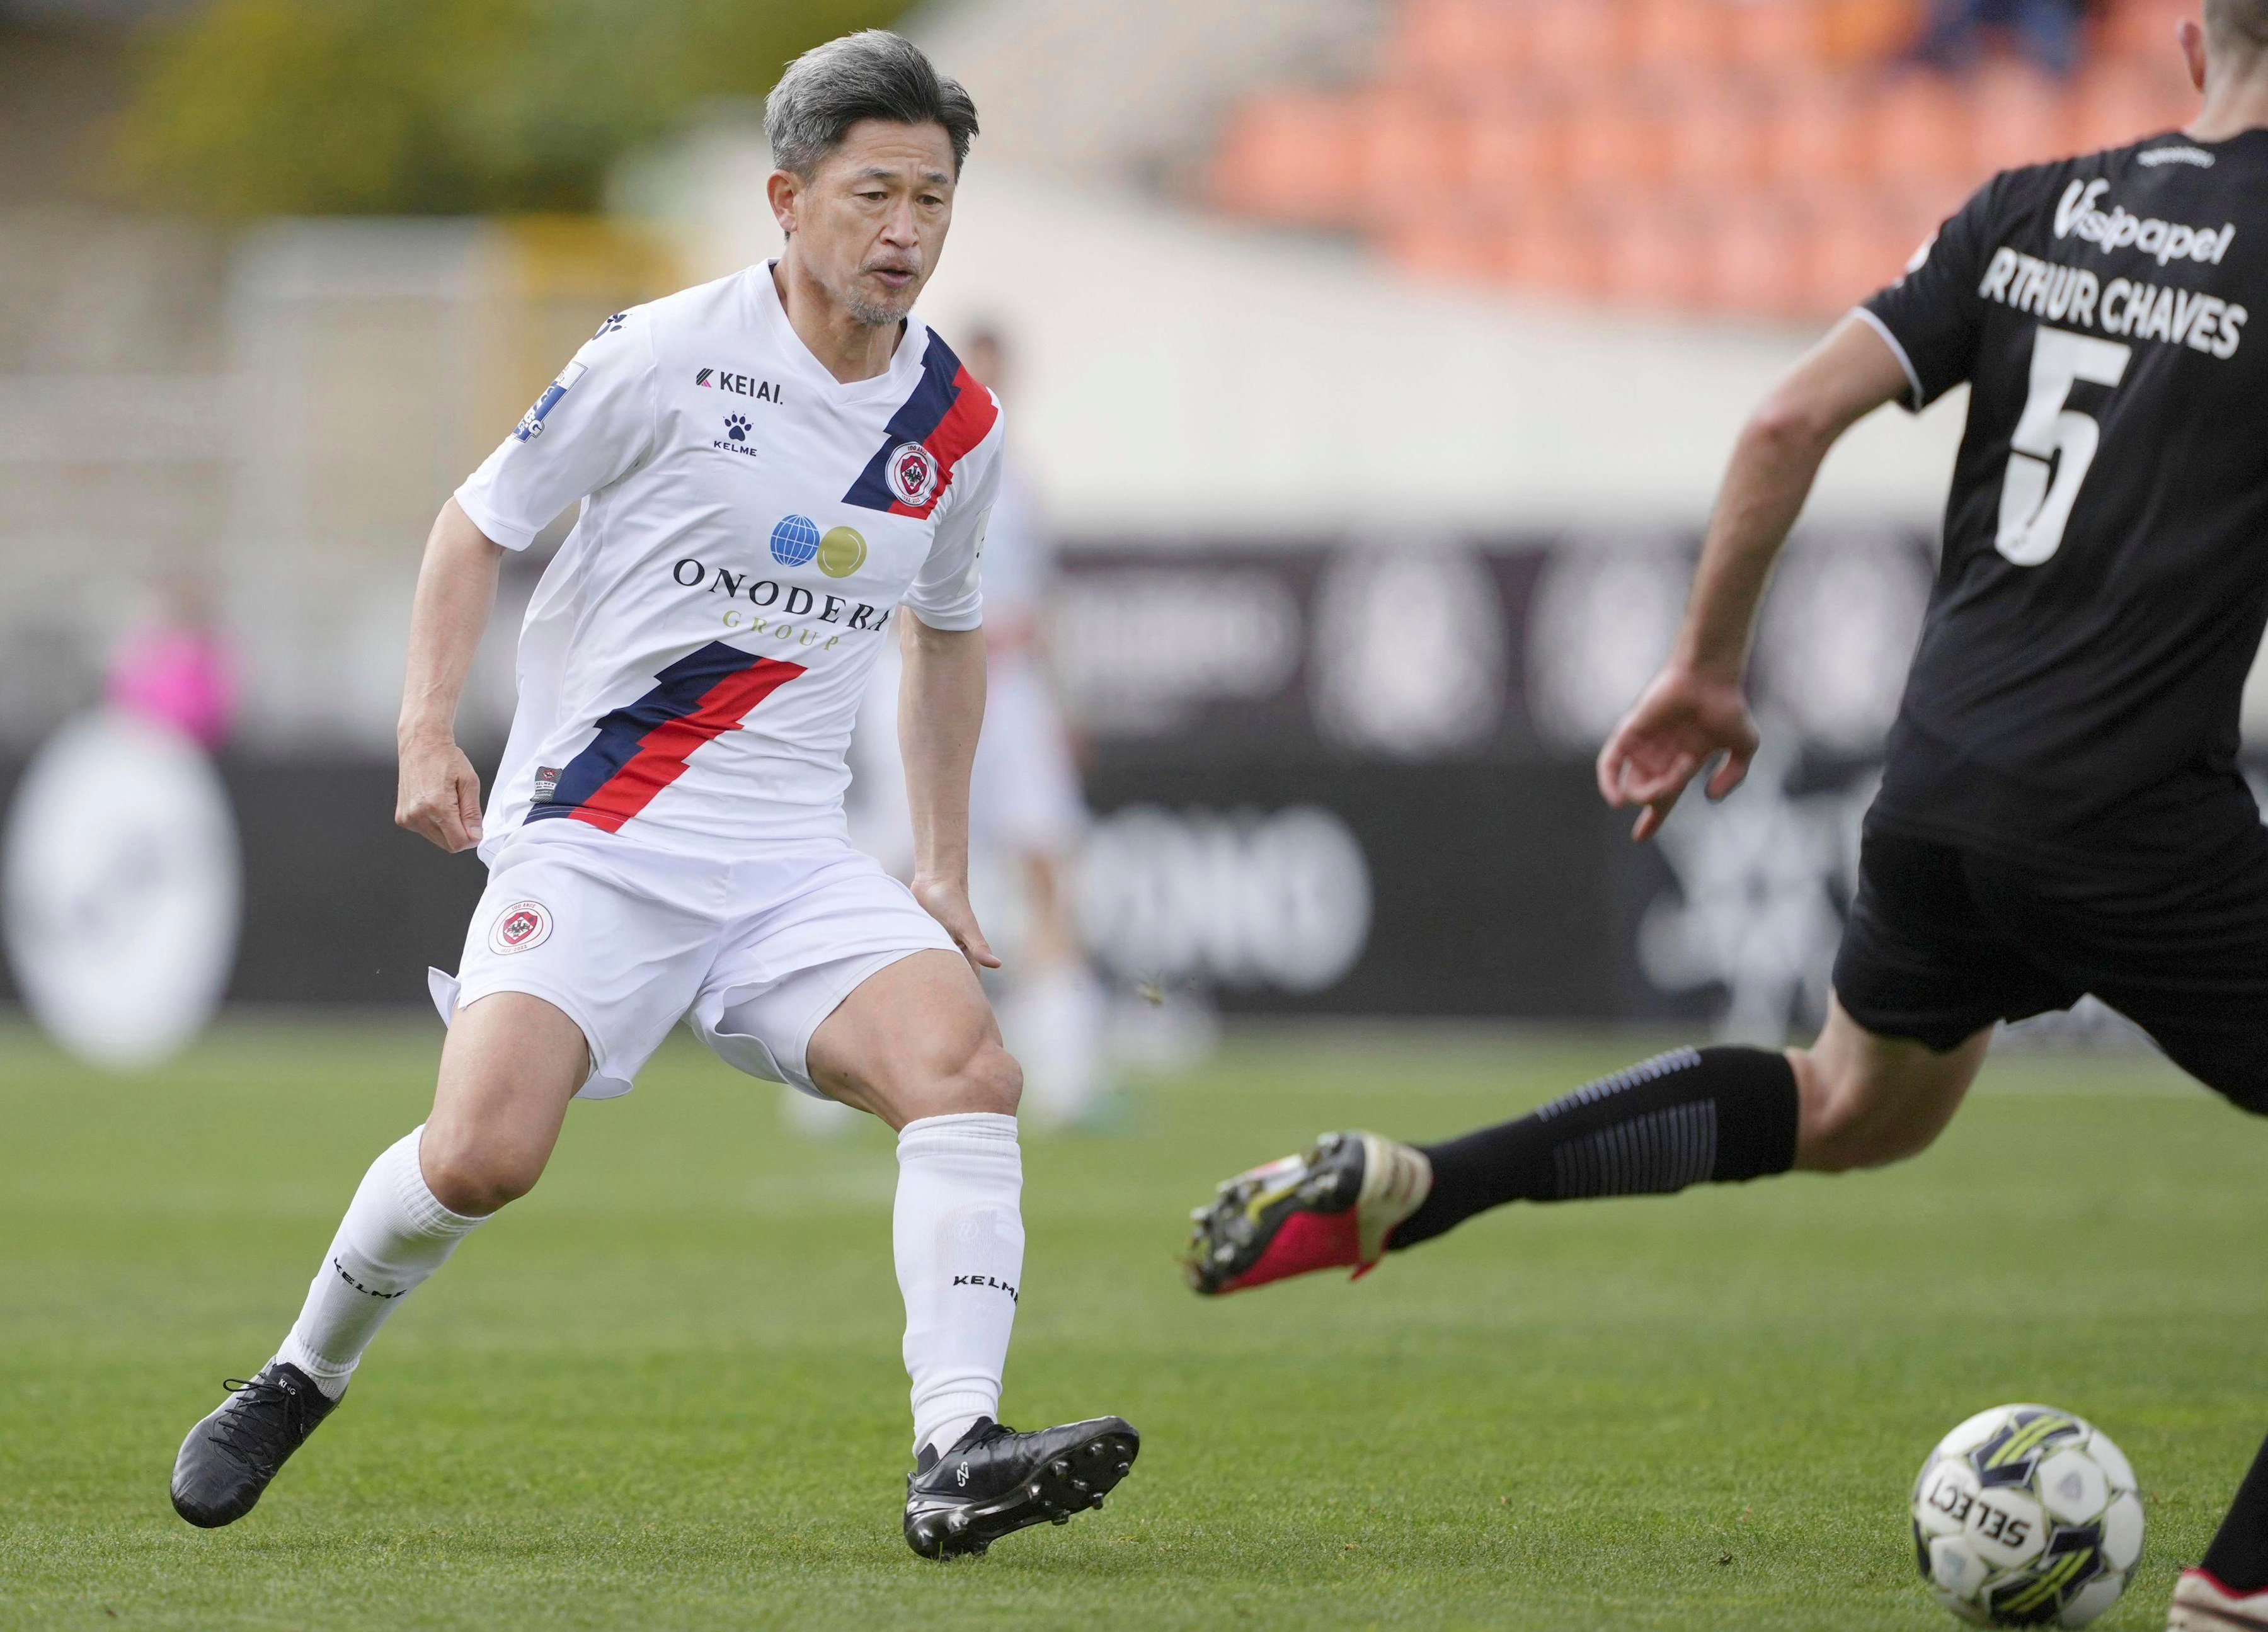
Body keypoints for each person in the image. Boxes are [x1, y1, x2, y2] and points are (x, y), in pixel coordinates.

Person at [1183, 4, 2268, 1624]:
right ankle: (2234, 1591)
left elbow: (1782, 418)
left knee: (1857, 1105)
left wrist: (1703, 671)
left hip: (1941, 789)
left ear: (2185, 42)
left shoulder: (2030, 207)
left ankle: (1434, 1179)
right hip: (2127, 807)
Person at [168, 30, 1137, 1560]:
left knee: (964, 1070)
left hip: (781, 861)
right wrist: (427, 731)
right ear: (784, 195)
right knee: (483, 1154)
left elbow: (948, 640)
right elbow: (476, 524)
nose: (905, 232)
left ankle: (956, 1447)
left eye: (934, 200)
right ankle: (299, 1373)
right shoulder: (662, 352)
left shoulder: (955, 429)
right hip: (601, 836)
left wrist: (940, 865)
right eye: (874, 193)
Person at [845, 325, 1108, 1126]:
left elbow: (1043, 601)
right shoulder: (904, 459)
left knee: (1046, 858)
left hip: (1016, 683)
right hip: (928, 672)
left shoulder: (1018, 476)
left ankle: (1066, 1067)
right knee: (894, 860)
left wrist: (1061, 702)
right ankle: (843, 1049)